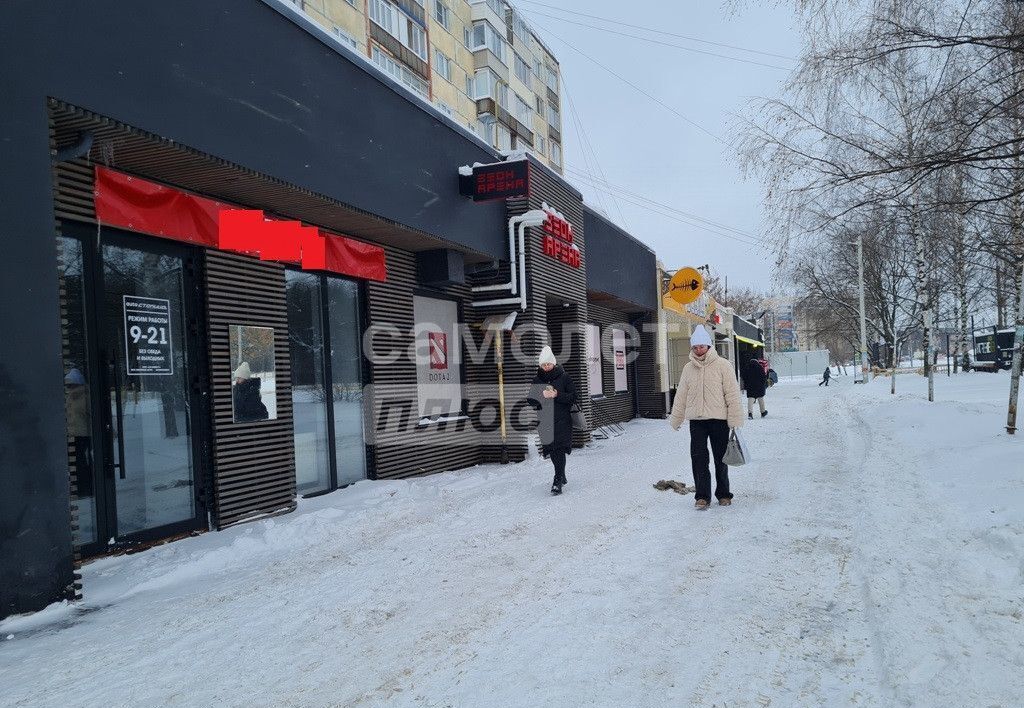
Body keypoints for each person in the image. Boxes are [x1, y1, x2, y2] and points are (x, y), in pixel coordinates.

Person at [668, 326, 745, 510]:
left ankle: (724, 494)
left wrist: (734, 420)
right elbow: (681, 396)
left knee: (720, 458)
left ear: (709, 346)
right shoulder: (688, 368)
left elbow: (732, 394)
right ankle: (702, 496)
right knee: (698, 459)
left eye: (702, 346)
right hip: (697, 422)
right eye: (695, 347)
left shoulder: (723, 365)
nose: (699, 350)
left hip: (719, 421)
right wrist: (676, 418)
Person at [527, 345, 577, 495]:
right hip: (545, 421)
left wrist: (556, 395)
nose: (546, 367)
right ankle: (561, 474)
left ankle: (557, 480)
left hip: (562, 419)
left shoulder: (564, 377)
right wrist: (541, 396)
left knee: (559, 448)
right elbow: (530, 401)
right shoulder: (537, 380)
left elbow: (574, 396)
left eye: (548, 364)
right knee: (553, 450)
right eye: (543, 365)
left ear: (553, 363)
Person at [64, 368, 93, 497]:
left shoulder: (81, 397)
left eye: (71, 384)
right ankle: (83, 487)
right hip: (76, 434)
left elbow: (94, 415)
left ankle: (84, 488)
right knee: (78, 462)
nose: (69, 387)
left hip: (81, 435)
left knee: (79, 463)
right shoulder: (72, 397)